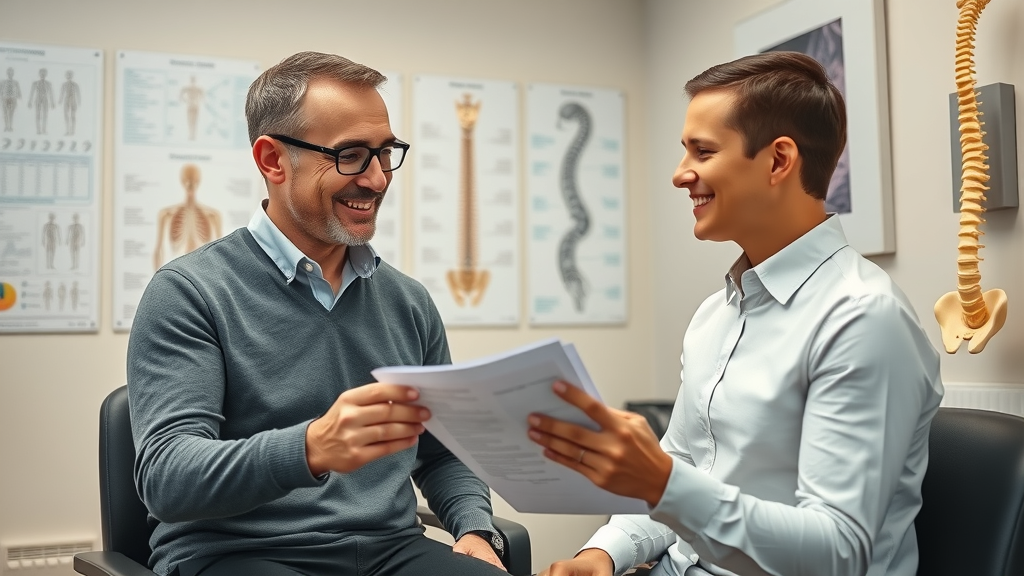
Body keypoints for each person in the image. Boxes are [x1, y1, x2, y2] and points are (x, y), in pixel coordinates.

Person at [528, 51, 943, 576]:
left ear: (778, 161)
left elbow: (837, 553)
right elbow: (684, 465)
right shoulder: (715, 315)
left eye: (702, 151)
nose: (680, 175)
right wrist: (603, 553)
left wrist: (661, 483)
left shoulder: (863, 320)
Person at [127, 51, 508, 576]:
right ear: (272, 160)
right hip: (241, 554)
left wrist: (474, 526)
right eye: (351, 155)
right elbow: (167, 478)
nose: (377, 179)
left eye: (385, 153)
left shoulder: (408, 302)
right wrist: (310, 449)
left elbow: (444, 453)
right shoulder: (190, 293)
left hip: (391, 551)